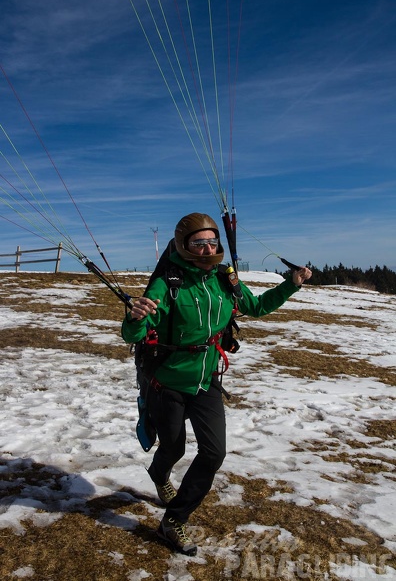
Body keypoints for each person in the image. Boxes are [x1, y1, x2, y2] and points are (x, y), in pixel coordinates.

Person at [121, 212, 312, 556]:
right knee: (174, 447)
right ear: (184, 245)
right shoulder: (168, 282)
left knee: (214, 452)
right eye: (199, 242)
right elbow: (131, 333)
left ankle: (173, 520)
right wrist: (135, 317)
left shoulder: (225, 279)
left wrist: (291, 283)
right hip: (168, 381)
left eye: (212, 241)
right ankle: (159, 473)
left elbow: (255, 307)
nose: (208, 248)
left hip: (206, 379)